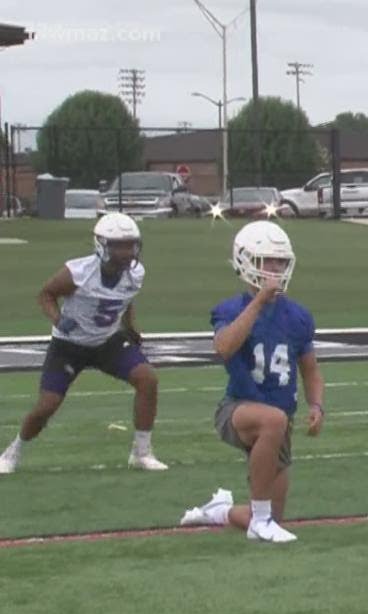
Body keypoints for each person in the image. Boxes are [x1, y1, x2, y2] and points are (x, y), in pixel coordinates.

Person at [178, 221, 324, 544]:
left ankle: (220, 512)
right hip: (238, 409)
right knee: (273, 420)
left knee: (276, 516)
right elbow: (224, 347)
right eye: (268, 261)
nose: (276, 268)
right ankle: (259, 520)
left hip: (280, 420)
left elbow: (310, 369)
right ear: (247, 262)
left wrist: (316, 404)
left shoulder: (298, 316)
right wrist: (259, 302)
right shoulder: (231, 309)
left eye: (281, 262)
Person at [0, 213, 167, 475]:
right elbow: (45, 294)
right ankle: (13, 451)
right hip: (70, 344)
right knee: (47, 406)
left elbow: (125, 298)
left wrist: (130, 326)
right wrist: (58, 318)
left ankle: (142, 453)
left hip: (107, 341)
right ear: (101, 245)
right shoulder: (78, 272)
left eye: (130, 244)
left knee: (148, 380)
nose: (126, 252)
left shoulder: (136, 273)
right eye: (118, 245)